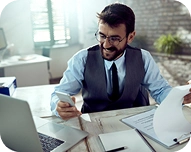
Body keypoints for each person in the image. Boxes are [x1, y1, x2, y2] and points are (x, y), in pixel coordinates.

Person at [50, 3, 191, 120]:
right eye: (102, 35)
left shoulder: (143, 58)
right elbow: (60, 92)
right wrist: (59, 106)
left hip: (137, 121)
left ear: (130, 37)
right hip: (93, 123)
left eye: (114, 38)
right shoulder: (81, 59)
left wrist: (178, 97)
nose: (106, 44)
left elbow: (160, 91)